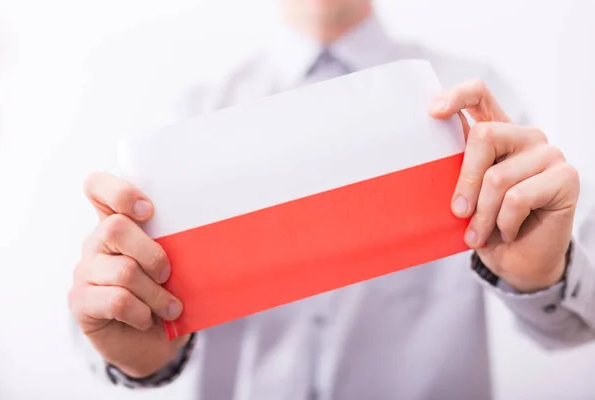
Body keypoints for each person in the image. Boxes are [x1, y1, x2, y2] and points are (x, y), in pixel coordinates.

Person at [68, 0, 595, 398]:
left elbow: (579, 321)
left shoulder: (483, 106)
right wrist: (141, 356)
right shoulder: (182, 123)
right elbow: (104, 313)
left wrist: (541, 276)